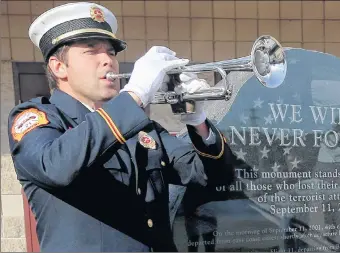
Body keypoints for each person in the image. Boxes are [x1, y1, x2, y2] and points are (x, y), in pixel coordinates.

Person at [8, 2, 234, 252]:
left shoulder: (139, 125)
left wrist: (196, 118)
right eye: (92, 51)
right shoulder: (37, 117)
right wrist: (135, 95)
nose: (108, 61)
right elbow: (56, 166)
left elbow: (210, 176)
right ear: (58, 67)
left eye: (112, 52)